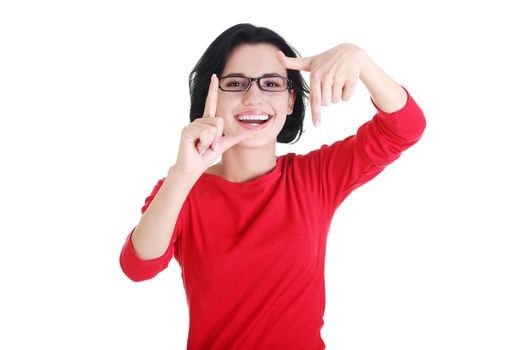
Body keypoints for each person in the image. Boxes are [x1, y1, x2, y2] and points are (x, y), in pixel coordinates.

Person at [119, 23, 426, 349]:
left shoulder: (316, 177)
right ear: (212, 96)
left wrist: (361, 61)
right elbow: (137, 267)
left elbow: (405, 127)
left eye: (271, 84)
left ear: (291, 100)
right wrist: (182, 174)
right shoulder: (182, 189)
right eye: (236, 83)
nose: (254, 97)